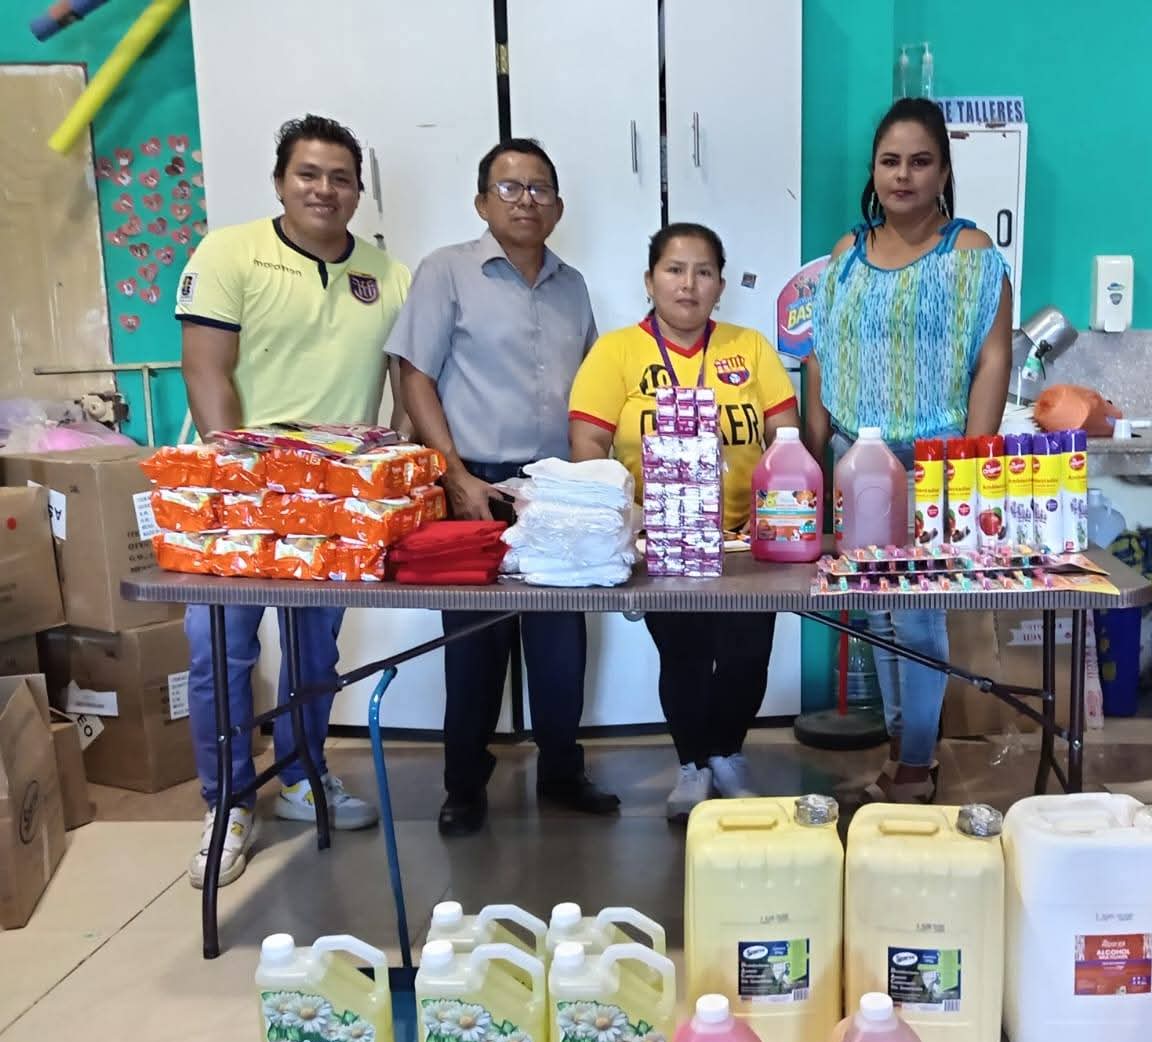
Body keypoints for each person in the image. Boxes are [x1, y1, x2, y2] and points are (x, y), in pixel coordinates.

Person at [175, 113, 411, 886]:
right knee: (222, 648)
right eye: (309, 173)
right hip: (237, 491)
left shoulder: (388, 275)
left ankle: (305, 775)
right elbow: (206, 368)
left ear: (359, 191)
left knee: (315, 650)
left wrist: (393, 476)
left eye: (341, 177)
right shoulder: (229, 252)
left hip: (334, 502)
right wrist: (243, 476)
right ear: (281, 181)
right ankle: (228, 802)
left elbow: (407, 385)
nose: (324, 189)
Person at [386, 137, 618, 835]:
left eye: (539, 188)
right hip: (474, 483)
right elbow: (414, 375)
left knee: (560, 644)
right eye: (509, 188)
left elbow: (591, 388)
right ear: (482, 202)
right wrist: (453, 473)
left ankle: (562, 771)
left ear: (558, 206)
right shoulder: (446, 271)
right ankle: (463, 784)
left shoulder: (573, 286)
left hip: (554, 487)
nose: (526, 201)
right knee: (473, 645)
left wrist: (596, 484)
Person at [805, 97, 1012, 804]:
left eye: (920, 162)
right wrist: (816, 453)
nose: (903, 175)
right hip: (853, 457)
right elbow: (822, 359)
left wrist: (972, 462)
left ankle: (918, 765)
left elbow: (992, 360)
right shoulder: (845, 257)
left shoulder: (970, 254)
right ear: (873, 171)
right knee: (876, 612)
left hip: (932, 462)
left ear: (943, 172)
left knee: (919, 614)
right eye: (890, 161)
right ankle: (901, 752)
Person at [569, 223, 799, 818]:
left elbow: (786, 437)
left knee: (748, 654)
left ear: (720, 285)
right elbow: (588, 446)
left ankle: (728, 752)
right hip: (662, 541)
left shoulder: (750, 348)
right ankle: (694, 764)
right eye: (674, 270)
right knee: (686, 654)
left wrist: (778, 516)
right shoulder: (616, 352)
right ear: (650, 281)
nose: (688, 284)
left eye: (703, 272)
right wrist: (626, 522)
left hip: (746, 541)